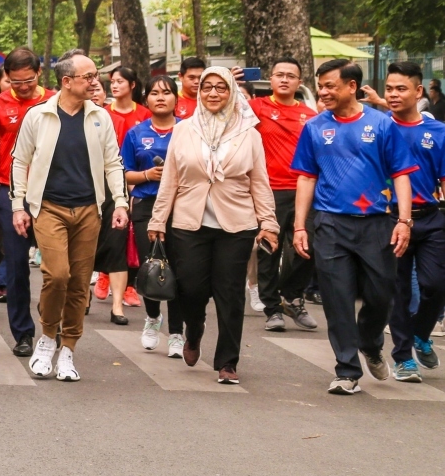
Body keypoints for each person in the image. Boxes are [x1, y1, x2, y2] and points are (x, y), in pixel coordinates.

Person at [291, 59, 417, 394]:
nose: (324, 92)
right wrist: (300, 226)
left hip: (377, 224)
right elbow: (306, 177)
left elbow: (402, 173)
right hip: (330, 223)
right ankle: (347, 370)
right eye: (321, 86)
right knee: (337, 299)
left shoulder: (382, 124)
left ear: (352, 86)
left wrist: (404, 220)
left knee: (382, 294)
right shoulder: (315, 127)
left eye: (331, 85)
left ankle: (370, 342)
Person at [147, 67, 279, 384]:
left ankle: (227, 362)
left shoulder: (249, 133)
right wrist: (158, 218)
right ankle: (194, 331)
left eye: (221, 87)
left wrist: (268, 223)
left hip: (236, 224)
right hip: (189, 223)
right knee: (190, 287)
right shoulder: (184, 130)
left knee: (231, 293)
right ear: (198, 92)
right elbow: (170, 180)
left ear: (231, 92)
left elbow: (260, 182)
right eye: (207, 87)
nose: (214, 93)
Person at [10, 50, 128, 382]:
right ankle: (47, 338)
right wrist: (18, 206)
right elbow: (20, 161)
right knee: (57, 275)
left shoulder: (99, 117)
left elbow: (113, 163)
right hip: (49, 208)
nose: (96, 82)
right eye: (88, 77)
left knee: (79, 284)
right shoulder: (38, 116)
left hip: (89, 209)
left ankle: (69, 349)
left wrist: (120, 202)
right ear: (67, 82)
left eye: (96, 76)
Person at [0, 48, 53, 356]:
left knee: (57, 268)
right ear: (6, 78)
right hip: (10, 193)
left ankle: (51, 323)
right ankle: (23, 333)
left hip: (51, 194)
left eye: (28, 80)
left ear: (38, 73)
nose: (22, 87)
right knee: (17, 265)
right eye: (15, 82)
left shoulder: (55, 101)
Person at [381, 61, 445, 382]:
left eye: (401, 88)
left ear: (418, 91)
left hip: (431, 219)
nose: (393, 94)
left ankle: (421, 334)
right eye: (389, 88)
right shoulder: (378, 128)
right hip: (389, 220)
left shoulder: (439, 132)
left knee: (436, 285)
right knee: (400, 290)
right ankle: (403, 357)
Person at [248, 57, 319, 332]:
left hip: (304, 190)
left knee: (306, 247)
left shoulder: (311, 117)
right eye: (280, 75)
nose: (285, 79)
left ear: (299, 82)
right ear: (271, 79)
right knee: (268, 250)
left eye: (291, 76)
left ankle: (292, 297)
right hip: (269, 192)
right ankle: (272, 308)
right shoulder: (257, 108)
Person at [123, 75, 183, 356]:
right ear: (145, 99)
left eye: (167, 92)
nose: (161, 97)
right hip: (146, 204)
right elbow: (125, 173)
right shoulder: (135, 133)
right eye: (155, 93)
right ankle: (152, 318)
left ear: (176, 99)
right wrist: (148, 175)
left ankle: (177, 332)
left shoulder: (188, 130)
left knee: (180, 269)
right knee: (153, 266)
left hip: (182, 206)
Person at [95, 66, 150, 319]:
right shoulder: (103, 114)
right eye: (112, 82)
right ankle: (100, 279)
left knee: (123, 242)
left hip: (127, 186)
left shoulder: (142, 117)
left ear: (133, 85)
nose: (114, 86)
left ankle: (122, 296)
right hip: (93, 188)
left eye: (120, 81)